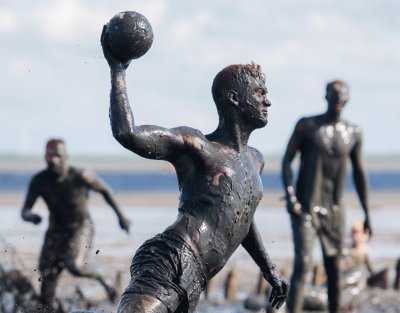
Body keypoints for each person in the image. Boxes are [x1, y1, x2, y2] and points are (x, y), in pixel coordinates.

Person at [101, 28, 288, 313]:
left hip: (196, 276)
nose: (268, 101)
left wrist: (269, 270)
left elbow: (242, 218)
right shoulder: (197, 145)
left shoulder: (255, 160)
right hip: (170, 259)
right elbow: (128, 133)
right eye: (260, 93)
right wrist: (118, 71)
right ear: (234, 99)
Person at [281, 79, 372, 313]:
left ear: (348, 99)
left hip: (335, 211)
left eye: (343, 96)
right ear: (326, 97)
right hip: (305, 208)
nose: (338, 100)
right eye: (334, 95)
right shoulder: (307, 126)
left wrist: (367, 213)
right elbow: (287, 160)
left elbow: (360, 174)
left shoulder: (353, 132)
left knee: (335, 268)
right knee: (303, 264)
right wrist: (290, 197)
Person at [21, 138, 130, 312]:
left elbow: (106, 191)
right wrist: (30, 216)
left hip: (81, 228)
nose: (53, 160)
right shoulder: (39, 181)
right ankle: (58, 308)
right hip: (55, 231)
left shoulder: (81, 176)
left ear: (65, 156)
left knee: (75, 266)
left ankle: (104, 280)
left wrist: (121, 217)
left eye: (57, 155)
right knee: (46, 276)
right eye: (49, 156)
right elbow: (24, 210)